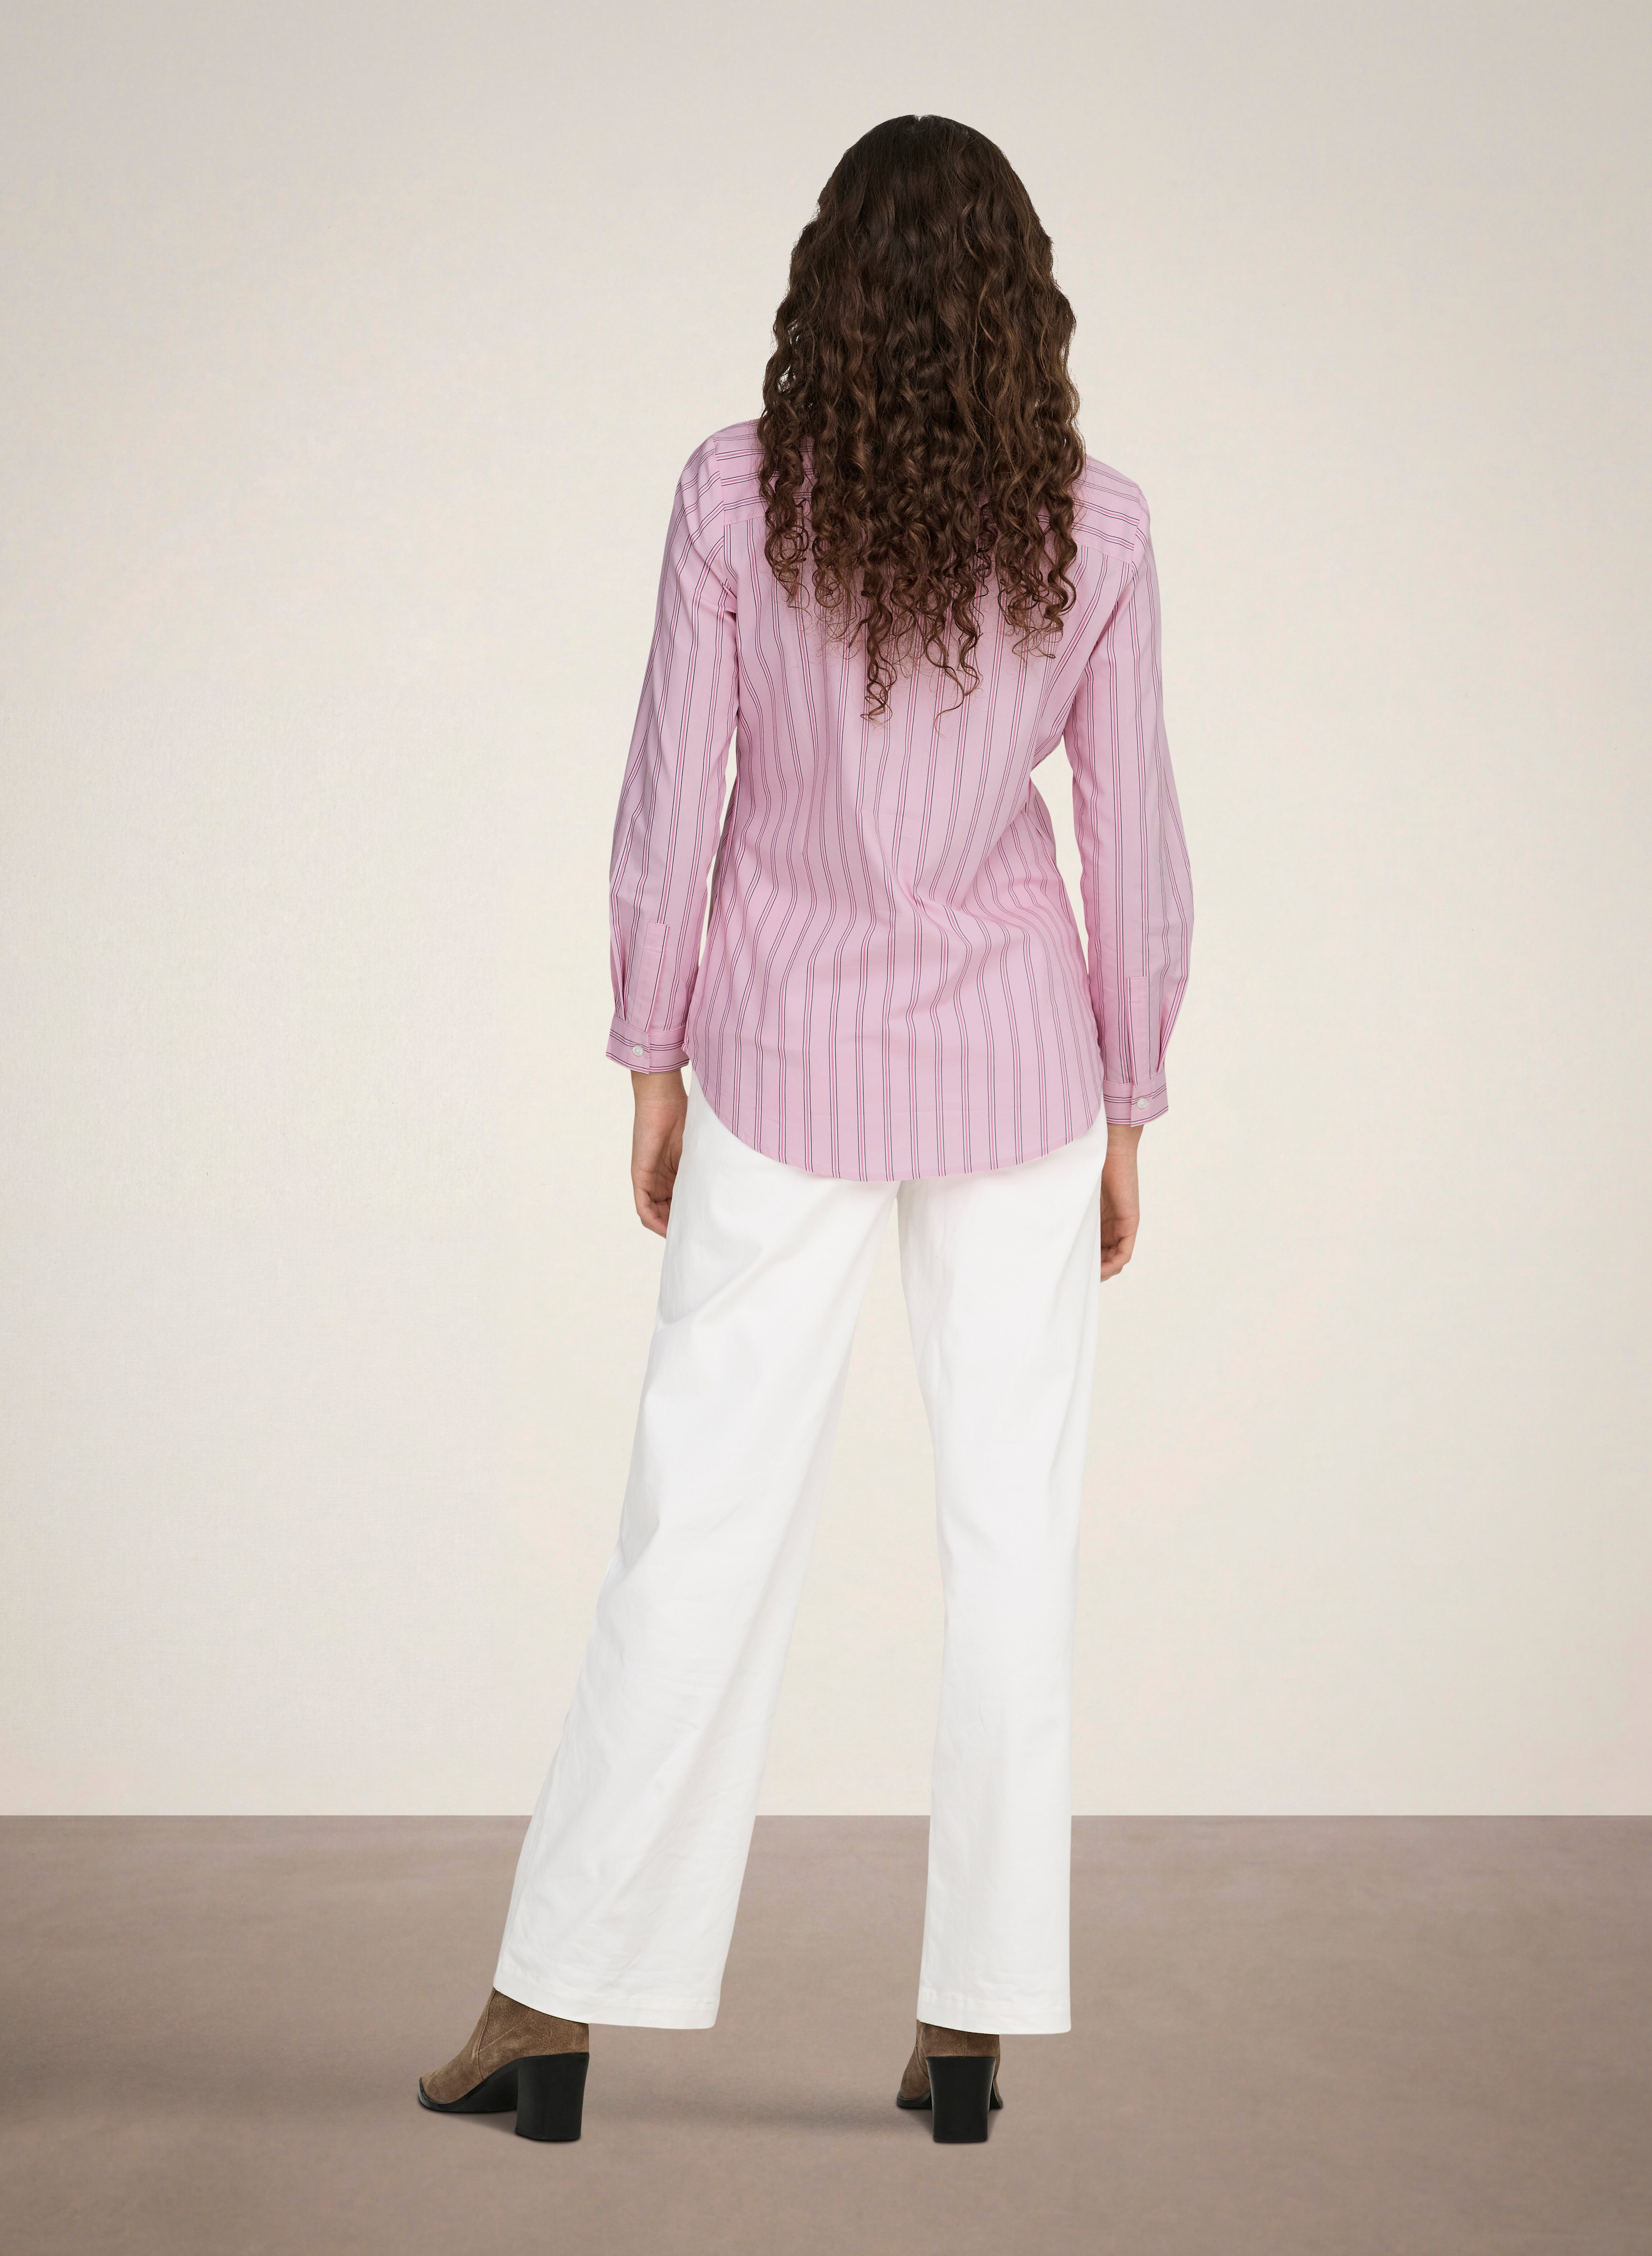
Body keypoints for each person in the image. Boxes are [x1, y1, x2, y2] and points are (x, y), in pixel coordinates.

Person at [419, 111, 1194, 2147]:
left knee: (695, 1521)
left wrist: (651, 1053)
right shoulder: (1098, 529)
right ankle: (972, 2032)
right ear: (1026, 309)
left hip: (779, 1050)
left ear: (824, 292)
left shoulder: (733, 496)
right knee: (1013, 1542)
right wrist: (1131, 1097)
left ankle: (554, 2005)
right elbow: (1135, 839)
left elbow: (671, 795)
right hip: (1023, 1070)